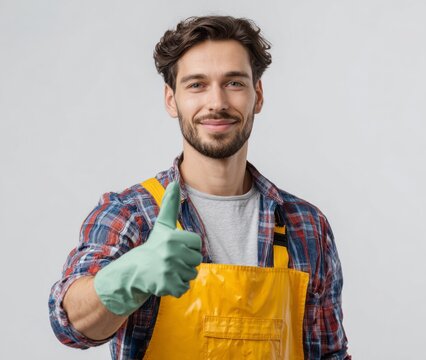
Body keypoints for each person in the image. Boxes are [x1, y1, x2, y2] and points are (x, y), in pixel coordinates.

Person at [49, 15, 350, 359]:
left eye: (234, 83)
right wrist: (126, 279)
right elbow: (70, 324)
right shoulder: (132, 214)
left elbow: (328, 353)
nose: (216, 102)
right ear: (171, 99)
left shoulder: (306, 225)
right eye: (196, 85)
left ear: (258, 95)